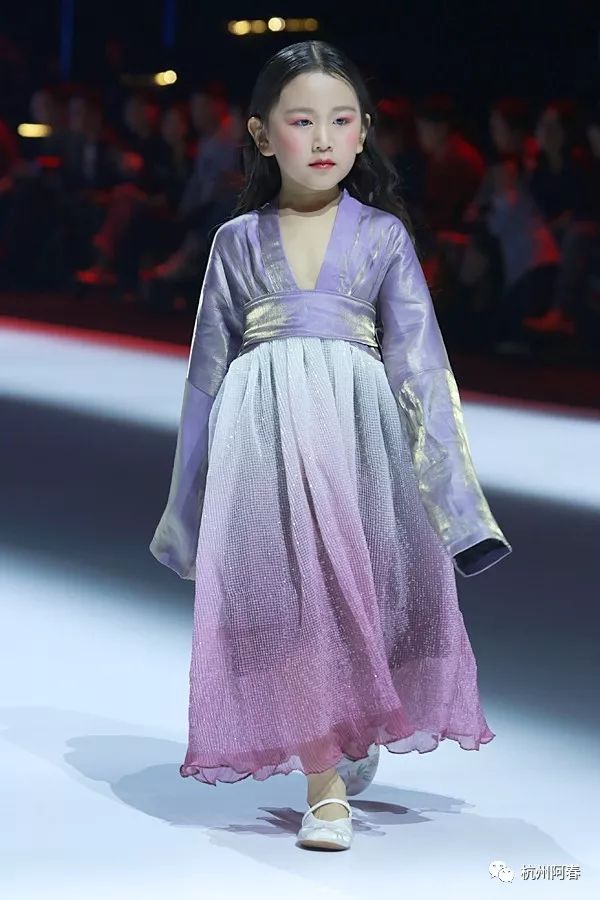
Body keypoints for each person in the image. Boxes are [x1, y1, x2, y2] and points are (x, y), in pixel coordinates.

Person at [149, 40, 512, 852]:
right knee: (293, 598)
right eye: (302, 120)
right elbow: (205, 377)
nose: (323, 138)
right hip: (263, 435)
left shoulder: (382, 237)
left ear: (364, 133)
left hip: (358, 435)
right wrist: (187, 511)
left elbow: (422, 367)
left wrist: (460, 513)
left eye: (341, 120)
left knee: (358, 593)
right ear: (260, 133)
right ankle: (325, 789)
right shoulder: (236, 242)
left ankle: (348, 724)